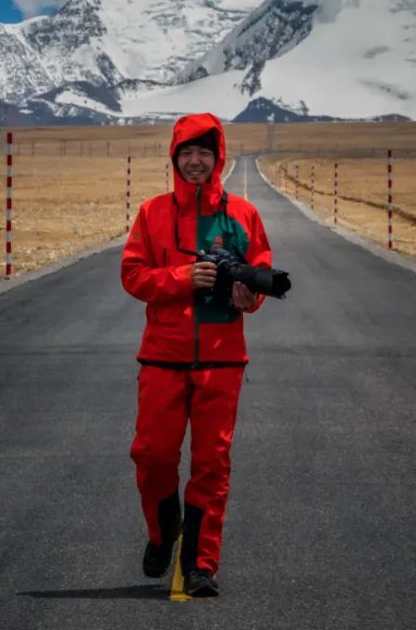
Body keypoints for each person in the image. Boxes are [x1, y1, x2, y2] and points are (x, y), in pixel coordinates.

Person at [121, 112, 272, 598]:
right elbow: (133, 276)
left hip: (223, 360)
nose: (194, 161)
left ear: (217, 158)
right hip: (162, 358)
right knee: (152, 455)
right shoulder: (152, 213)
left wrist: (250, 295)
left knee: (212, 464)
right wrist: (181, 280)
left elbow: (261, 272)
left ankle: (202, 564)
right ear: (174, 158)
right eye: (186, 152)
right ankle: (163, 532)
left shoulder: (244, 216)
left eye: (204, 153)